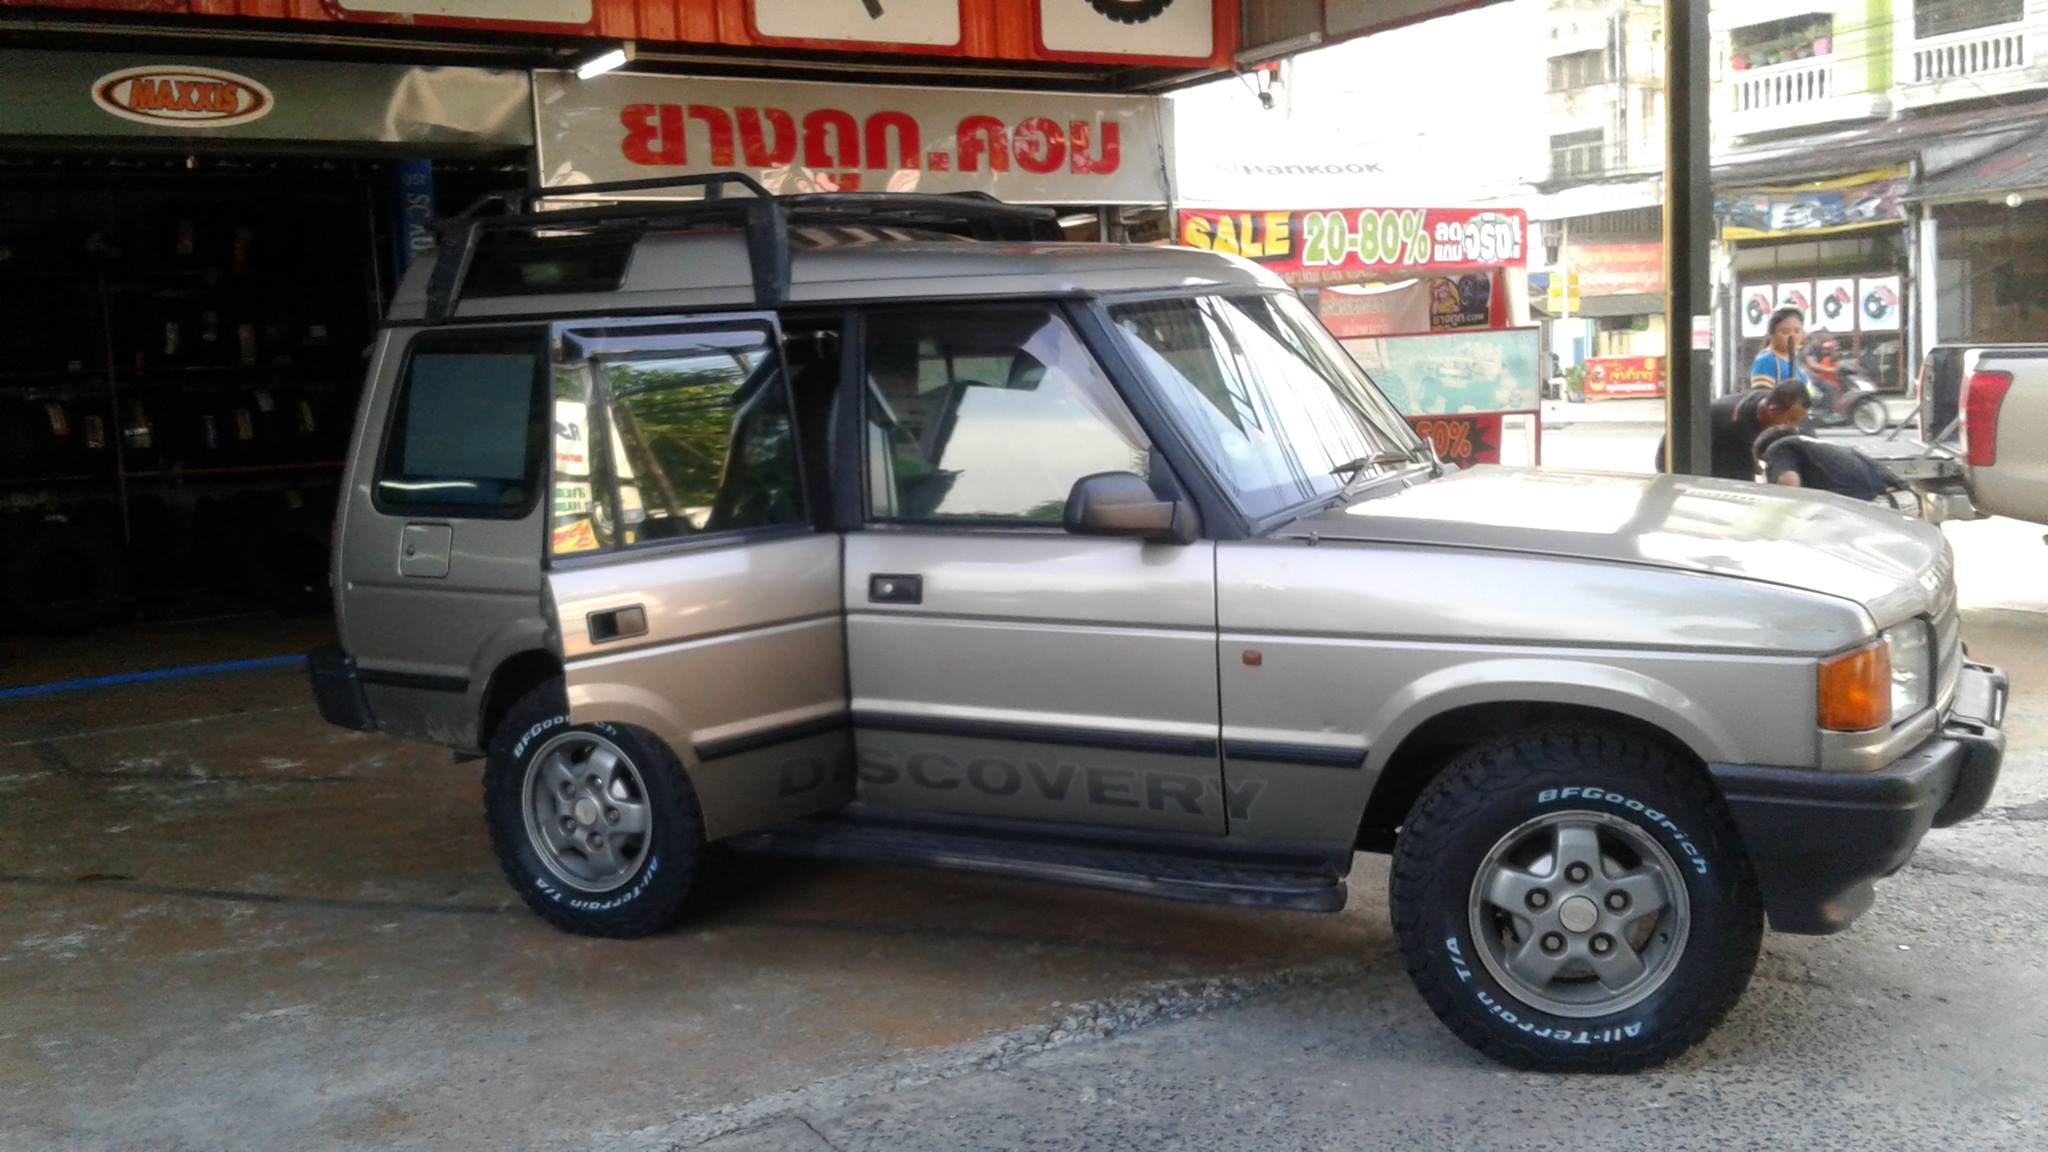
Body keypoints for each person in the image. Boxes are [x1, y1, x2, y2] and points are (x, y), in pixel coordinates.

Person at [1754, 425, 1909, 506]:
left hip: (1872, 506)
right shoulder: (1822, 448)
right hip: (1898, 499)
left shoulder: (1779, 447)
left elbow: (1789, 488)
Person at [1751, 307, 1808, 390]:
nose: (1792, 336)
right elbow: (1762, 394)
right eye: (1785, 332)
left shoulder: (1795, 359)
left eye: (1797, 331)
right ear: (1772, 334)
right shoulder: (1766, 360)